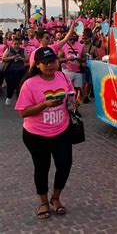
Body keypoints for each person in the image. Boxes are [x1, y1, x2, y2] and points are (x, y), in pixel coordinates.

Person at [15, 47, 75, 219]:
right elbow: (23, 112)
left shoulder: (62, 76)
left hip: (61, 131)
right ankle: (43, 202)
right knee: (42, 168)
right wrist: (44, 105)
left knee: (64, 165)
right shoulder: (30, 84)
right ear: (38, 65)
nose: (51, 65)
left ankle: (56, 198)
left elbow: (70, 95)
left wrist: (73, 104)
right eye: (46, 63)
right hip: (36, 135)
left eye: (53, 61)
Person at [58, 33, 84, 102]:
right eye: (70, 39)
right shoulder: (63, 46)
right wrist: (68, 59)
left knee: (78, 91)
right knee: (68, 90)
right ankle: (68, 107)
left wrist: (80, 59)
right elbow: (59, 59)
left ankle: (75, 109)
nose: (72, 41)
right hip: (67, 71)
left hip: (78, 71)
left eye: (73, 39)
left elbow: (84, 58)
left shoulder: (80, 46)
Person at [3, 38, 27, 106]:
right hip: (10, 71)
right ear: (12, 44)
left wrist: (20, 58)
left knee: (19, 86)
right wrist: (12, 57)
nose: (16, 45)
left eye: (18, 44)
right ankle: (9, 97)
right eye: (15, 44)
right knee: (10, 86)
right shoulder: (9, 49)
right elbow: (4, 58)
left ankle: (19, 100)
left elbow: (27, 59)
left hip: (20, 71)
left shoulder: (22, 50)